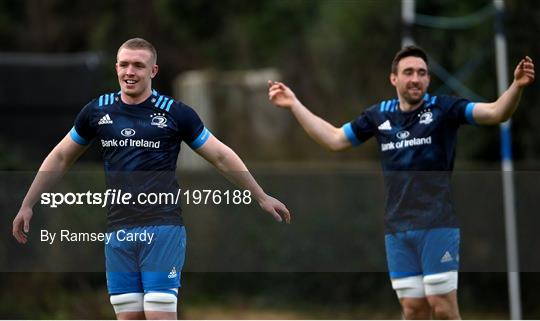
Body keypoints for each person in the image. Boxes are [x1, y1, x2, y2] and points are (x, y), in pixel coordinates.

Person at [12, 38, 291, 320]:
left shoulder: (175, 113)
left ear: (153, 71)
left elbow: (219, 155)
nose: (129, 71)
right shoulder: (98, 111)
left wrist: (260, 195)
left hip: (162, 228)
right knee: (129, 317)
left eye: (138, 65)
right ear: (116, 67)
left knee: (158, 314)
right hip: (118, 231)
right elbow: (61, 156)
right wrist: (28, 203)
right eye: (124, 64)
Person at [268, 45, 534, 319]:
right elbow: (335, 139)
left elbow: (495, 112)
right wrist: (294, 105)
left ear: (428, 79)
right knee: (413, 309)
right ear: (394, 78)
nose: (416, 78)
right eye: (408, 72)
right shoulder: (378, 115)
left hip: (437, 223)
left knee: (441, 306)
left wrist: (516, 86)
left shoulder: (444, 109)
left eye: (422, 73)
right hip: (397, 228)